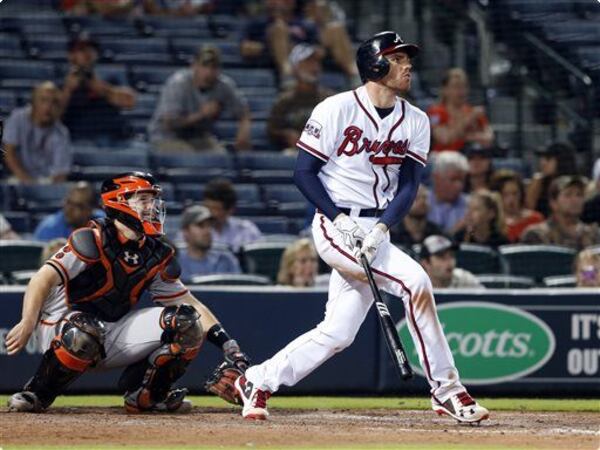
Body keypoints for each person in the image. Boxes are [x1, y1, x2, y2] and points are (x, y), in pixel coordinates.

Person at [233, 31, 489, 424]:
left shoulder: (415, 120)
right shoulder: (335, 109)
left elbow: (408, 186)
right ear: (375, 64)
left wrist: (383, 229)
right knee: (415, 283)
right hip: (335, 223)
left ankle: (257, 379)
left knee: (338, 333)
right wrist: (339, 219)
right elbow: (304, 174)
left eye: (407, 59)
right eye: (397, 58)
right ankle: (447, 390)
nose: (407, 66)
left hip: (376, 227)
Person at [5, 172, 250, 413]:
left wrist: (229, 345)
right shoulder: (92, 238)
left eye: (153, 199)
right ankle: (37, 393)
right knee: (84, 330)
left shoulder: (156, 252)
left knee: (187, 321)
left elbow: (190, 303)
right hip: (61, 327)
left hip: (111, 330)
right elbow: (42, 278)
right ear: (118, 202)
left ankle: (146, 395)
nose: (151, 206)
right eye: (143, 199)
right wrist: (28, 322)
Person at [148, 45, 251, 153]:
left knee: (221, 156)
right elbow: (169, 124)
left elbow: (243, 112)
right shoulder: (178, 83)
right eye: (204, 66)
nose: (208, 72)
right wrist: (201, 114)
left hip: (199, 138)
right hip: (166, 137)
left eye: (213, 67)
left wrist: (244, 131)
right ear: (194, 66)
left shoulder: (223, 85)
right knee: (192, 158)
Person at [240, 0, 357, 85]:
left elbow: (316, 45)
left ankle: (355, 76)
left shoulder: (303, 22)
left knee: (336, 28)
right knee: (279, 28)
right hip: (276, 61)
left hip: (305, 56)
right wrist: (271, 47)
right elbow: (245, 48)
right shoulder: (258, 23)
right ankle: (288, 77)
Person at [60, 33, 137, 144]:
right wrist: (68, 90)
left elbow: (130, 102)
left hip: (114, 136)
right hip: (79, 137)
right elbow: (52, 117)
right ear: (71, 56)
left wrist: (102, 89)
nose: (87, 54)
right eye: (81, 50)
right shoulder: (61, 81)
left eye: (90, 50)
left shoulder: (110, 77)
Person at [267, 43, 334, 153]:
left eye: (316, 62)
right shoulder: (284, 101)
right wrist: (286, 134)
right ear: (295, 67)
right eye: (307, 62)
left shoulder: (330, 100)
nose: (314, 67)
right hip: (293, 154)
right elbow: (272, 130)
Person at [2, 81, 71, 184]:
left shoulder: (62, 133)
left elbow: (60, 173)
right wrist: (27, 181)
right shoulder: (17, 118)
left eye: (54, 102)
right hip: (18, 177)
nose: (48, 107)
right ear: (33, 102)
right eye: (44, 100)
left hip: (47, 182)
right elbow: (8, 153)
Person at [521, 175, 600, 251]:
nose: (575, 200)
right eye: (568, 195)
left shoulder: (593, 234)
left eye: (579, 195)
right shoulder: (538, 234)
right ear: (553, 203)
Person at [427, 68, 494, 153]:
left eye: (464, 86)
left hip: (470, 156)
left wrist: (462, 137)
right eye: (456, 87)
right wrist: (469, 119)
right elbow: (444, 139)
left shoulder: (473, 111)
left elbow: (489, 138)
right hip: (443, 156)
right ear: (445, 90)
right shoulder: (436, 111)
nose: (461, 91)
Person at [178, 205, 241, 283]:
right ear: (185, 232)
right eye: (201, 226)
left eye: (209, 225)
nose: (207, 231)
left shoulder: (226, 259)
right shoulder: (174, 263)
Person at [202, 178, 262, 252]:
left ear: (230, 210)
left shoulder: (246, 230)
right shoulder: (194, 231)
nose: (209, 213)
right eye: (207, 207)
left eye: (215, 208)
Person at [33, 182, 104, 241]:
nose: (70, 209)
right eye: (68, 202)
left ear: (90, 209)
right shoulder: (49, 228)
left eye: (78, 205)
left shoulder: (103, 224)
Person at [525, 141, 578, 218]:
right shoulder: (540, 182)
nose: (542, 163)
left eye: (548, 159)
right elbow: (528, 211)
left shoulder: (576, 184)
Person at [490, 169, 544, 242]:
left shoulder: (535, 219)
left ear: (521, 194)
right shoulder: (492, 222)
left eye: (515, 193)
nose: (511, 199)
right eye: (505, 194)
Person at [428, 151, 470, 234]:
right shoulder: (419, 203)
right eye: (453, 179)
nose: (459, 185)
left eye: (461, 180)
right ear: (436, 178)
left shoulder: (471, 206)